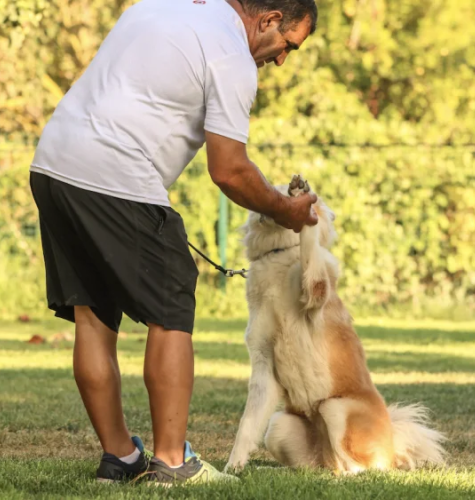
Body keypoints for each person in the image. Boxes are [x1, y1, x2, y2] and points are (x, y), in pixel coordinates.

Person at [29, 0, 318, 486]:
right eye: (288, 45)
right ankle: (171, 462)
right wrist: (283, 209)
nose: (282, 59)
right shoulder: (231, 54)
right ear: (268, 20)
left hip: (54, 164)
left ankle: (120, 458)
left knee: (93, 314)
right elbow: (229, 170)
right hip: (115, 175)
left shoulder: (162, 6)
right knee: (172, 304)